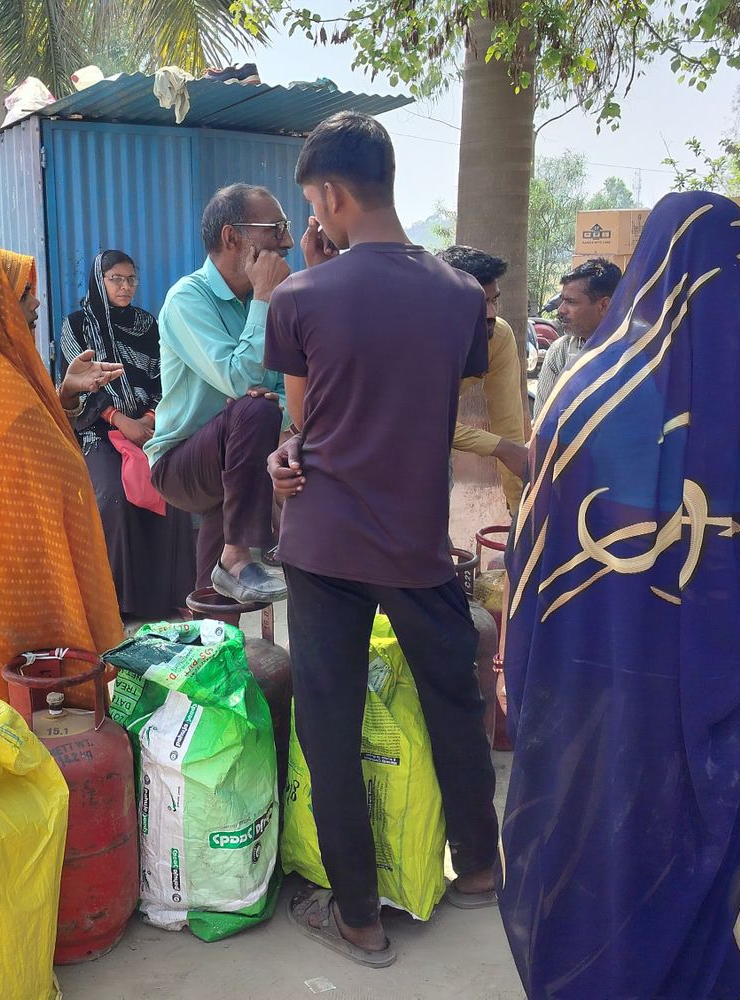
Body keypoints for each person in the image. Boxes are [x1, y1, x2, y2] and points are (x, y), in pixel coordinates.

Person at [499, 192, 740, 999]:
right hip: (738, 671)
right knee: (721, 826)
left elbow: (539, 549)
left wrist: (523, 662)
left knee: (606, 833)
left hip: (605, 669)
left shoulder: (589, 392)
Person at [266, 112, 499, 967]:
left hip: (325, 539)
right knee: (455, 704)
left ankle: (359, 918)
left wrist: (290, 451)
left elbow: (306, 422)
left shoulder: (298, 297)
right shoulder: (462, 296)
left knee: (329, 722)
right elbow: (431, 396)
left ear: (330, 195)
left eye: (312, 204)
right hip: (416, 543)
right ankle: (479, 868)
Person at [0, 245, 126, 704]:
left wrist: (65, 394)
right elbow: (52, 463)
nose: (35, 303)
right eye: (21, 294)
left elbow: (36, 449)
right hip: (22, 579)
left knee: (11, 701)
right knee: (46, 698)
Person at [146, 183, 294, 604]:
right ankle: (238, 555)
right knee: (254, 411)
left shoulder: (272, 302)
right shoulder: (187, 299)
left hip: (236, 458)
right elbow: (239, 378)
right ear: (232, 237)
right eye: (276, 228)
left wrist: (264, 408)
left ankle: (215, 625)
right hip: (180, 462)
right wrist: (264, 297)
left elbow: (285, 393)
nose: (286, 242)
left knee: (217, 602)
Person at [59, 250, 195, 620]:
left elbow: (164, 375)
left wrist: (149, 418)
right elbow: (76, 385)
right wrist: (118, 419)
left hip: (149, 425)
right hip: (97, 429)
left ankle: (173, 594)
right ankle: (119, 604)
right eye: (116, 279)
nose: (125, 286)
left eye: (131, 279)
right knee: (114, 498)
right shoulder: (77, 326)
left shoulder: (146, 324)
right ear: (99, 281)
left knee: (173, 487)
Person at [437, 246, 527, 511]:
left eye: (494, 300)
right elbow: (420, 417)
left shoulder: (497, 337)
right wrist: (500, 448)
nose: (491, 313)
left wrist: (518, 509)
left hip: (432, 449)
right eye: (480, 302)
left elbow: (508, 422)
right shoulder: (417, 335)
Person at [533, 257, 622, 417]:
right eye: (562, 300)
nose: (561, 310)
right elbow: (543, 420)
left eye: (571, 302)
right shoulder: (560, 351)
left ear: (604, 306)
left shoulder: (637, 350)